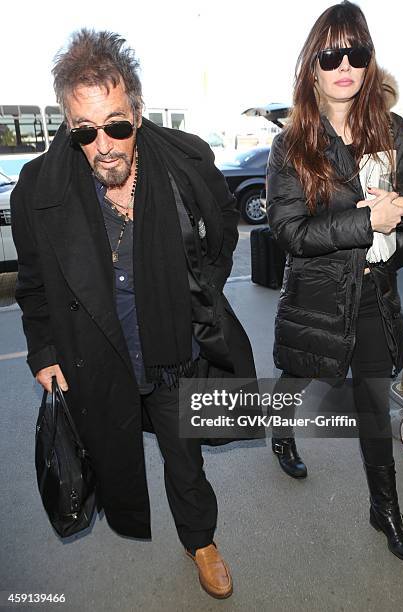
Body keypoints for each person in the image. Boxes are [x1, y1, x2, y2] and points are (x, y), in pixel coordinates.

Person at [11, 29, 256, 599]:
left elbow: (221, 230)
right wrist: (44, 353)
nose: (104, 145)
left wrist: (200, 293)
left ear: (138, 113)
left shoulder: (183, 164)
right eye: (86, 131)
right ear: (70, 125)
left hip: (170, 347)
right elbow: (34, 286)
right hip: (98, 355)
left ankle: (201, 541)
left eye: (117, 124)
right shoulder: (39, 190)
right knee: (110, 454)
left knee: (184, 457)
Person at [267, 1, 403, 562]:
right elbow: (286, 230)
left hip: (376, 292)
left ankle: (385, 510)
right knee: (297, 374)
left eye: (355, 53)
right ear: (312, 67)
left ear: (368, 62)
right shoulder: (293, 144)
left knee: (374, 405)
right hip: (320, 292)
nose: (344, 65)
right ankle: (280, 430)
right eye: (330, 54)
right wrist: (366, 221)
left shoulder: (396, 130)